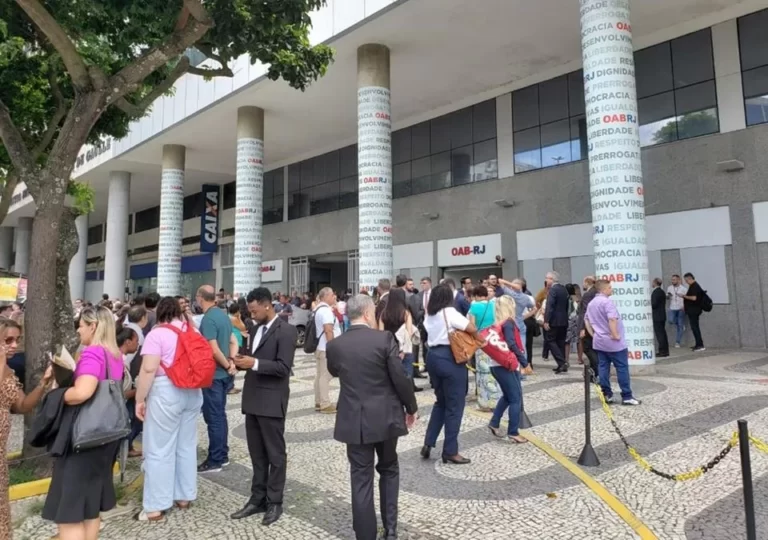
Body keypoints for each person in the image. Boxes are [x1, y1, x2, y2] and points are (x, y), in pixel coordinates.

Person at [327, 294, 418, 540]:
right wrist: (411, 407)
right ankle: (390, 529)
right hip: (386, 415)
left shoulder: (335, 345)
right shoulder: (384, 339)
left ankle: (365, 535)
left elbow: (333, 370)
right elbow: (399, 377)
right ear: (368, 314)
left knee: (360, 477)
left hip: (353, 418)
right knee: (389, 468)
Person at [43, 306, 123, 539]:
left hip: (83, 437)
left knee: (70, 509)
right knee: (90, 507)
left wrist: (55, 394)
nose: (78, 329)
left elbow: (82, 392)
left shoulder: (93, 353)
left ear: (93, 326)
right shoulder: (114, 355)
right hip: (105, 435)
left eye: (81, 324)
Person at [133, 297, 204, 521]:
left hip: (166, 391)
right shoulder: (193, 331)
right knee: (186, 445)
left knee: (159, 448)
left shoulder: (157, 334)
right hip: (193, 392)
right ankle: (184, 496)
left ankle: (156, 505)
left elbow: (148, 369)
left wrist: (140, 399)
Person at [231, 287, 297, 526]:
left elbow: (283, 367)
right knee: (257, 454)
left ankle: (274, 501)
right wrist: (241, 363)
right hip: (253, 399)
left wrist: (255, 363)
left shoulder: (286, 331)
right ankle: (257, 498)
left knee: (275, 454)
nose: (251, 313)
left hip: (272, 400)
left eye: (253, 309)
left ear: (266, 304)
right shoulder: (255, 329)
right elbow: (254, 360)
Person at [0, 319, 52, 538]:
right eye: (7, 340)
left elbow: (22, 406)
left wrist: (43, 384)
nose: (13, 345)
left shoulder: (10, 372)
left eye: (17, 340)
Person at [421, 284, 478, 465]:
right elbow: (471, 328)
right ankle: (450, 451)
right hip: (450, 357)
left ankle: (429, 442)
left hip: (433, 357)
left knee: (441, 402)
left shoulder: (429, 314)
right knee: (455, 405)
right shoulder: (450, 312)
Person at [196, 285, 238, 473]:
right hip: (224, 375)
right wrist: (232, 360)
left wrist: (227, 364)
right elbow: (233, 341)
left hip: (213, 375)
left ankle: (216, 459)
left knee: (214, 417)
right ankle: (223, 453)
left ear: (200, 298)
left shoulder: (208, 319)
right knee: (220, 415)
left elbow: (212, 349)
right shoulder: (223, 315)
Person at [584, 280, 641, 406]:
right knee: (622, 368)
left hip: (599, 341)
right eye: (610, 287)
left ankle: (607, 394)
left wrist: (594, 334)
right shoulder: (607, 302)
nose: (611, 289)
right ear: (603, 289)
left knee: (603, 367)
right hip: (613, 343)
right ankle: (626, 395)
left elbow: (587, 320)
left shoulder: (591, 303)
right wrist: (615, 334)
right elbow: (612, 319)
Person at [487, 296, 528, 444]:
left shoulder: (496, 324)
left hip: (496, 364)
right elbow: (511, 343)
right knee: (516, 398)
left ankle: (494, 422)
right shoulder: (509, 323)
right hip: (507, 365)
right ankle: (513, 431)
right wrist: (524, 362)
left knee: (507, 396)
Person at [467, 285, 500, 412]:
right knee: (493, 370)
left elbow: (472, 326)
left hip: (480, 341)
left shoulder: (474, 307)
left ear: (475, 295)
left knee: (482, 372)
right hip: (493, 340)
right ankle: (495, 400)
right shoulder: (493, 305)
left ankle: (484, 402)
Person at [379, 288, 417, 380]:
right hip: (404, 349)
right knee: (406, 377)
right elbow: (409, 333)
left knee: (390, 377)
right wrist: (404, 351)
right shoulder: (406, 313)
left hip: (389, 349)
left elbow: (380, 333)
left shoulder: (383, 314)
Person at [313, 287, 341, 414]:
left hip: (319, 347)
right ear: (325, 296)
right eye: (332, 295)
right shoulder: (326, 311)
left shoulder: (318, 309)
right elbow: (328, 330)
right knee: (326, 376)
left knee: (319, 375)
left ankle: (318, 401)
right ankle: (325, 403)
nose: (334, 297)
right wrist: (333, 347)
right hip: (325, 348)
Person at [543, 272, 569, 374]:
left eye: (547, 278)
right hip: (563, 319)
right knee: (560, 342)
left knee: (550, 340)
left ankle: (562, 363)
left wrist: (546, 320)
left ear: (552, 279)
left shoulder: (553, 290)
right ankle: (562, 365)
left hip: (554, 320)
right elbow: (567, 305)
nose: (546, 280)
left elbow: (550, 306)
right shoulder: (563, 289)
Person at [682, 273, 706, 351]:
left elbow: (694, 298)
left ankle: (700, 345)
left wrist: (684, 296)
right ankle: (698, 343)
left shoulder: (695, 286)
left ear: (689, 278)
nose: (686, 282)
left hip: (694, 310)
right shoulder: (693, 286)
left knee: (695, 327)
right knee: (694, 327)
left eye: (686, 280)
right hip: (693, 310)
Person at [666, 274, 688, 348]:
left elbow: (687, 299)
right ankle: (680, 325)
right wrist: (668, 296)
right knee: (670, 320)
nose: (672, 281)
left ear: (679, 280)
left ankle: (677, 342)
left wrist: (684, 306)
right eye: (672, 280)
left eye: (674, 280)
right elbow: (668, 297)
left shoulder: (684, 289)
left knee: (680, 325)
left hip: (681, 308)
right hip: (672, 307)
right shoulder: (669, 288)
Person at [651, 278, 669, 357]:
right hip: (662, 315)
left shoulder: (655, 292)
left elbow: (654, 304)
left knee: (660, 334)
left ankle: (662, 351)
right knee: (663, 333)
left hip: (657, 316)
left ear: (655, 283)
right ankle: (665, 350)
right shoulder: (662, 292)